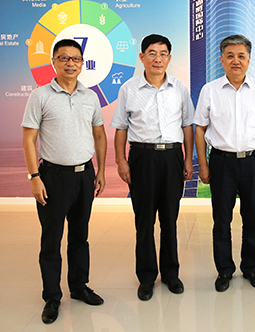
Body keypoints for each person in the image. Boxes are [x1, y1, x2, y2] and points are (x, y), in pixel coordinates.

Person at [22, 39, 106, 324]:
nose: (70, 63)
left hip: (84, 175)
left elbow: (99, 135)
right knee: (51, 239)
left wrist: (100, 171)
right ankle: (52, 297)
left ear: (82, 63)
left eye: (76, 58)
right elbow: (29, 139)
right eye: (64, 58)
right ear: (54, 62)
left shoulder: (90, 96)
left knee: (80, 236)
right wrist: (34, 177)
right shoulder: (40, 96)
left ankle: (79, 286)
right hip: (52, 177)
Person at [111, 34, 194, 301]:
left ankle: (171, 274)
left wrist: (188, 159)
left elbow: (187, 126)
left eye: (163, 54)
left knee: (170, 219)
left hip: (172, 157)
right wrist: (121, 161)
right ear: (142, 57)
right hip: (142, 158)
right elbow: (121, 128)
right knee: (144, 220)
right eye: (152, 53)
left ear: (169, 58)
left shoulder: (179, 88)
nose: (158, 59)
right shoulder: (129, 89)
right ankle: (146, 277)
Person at [194, 34, 255, 292]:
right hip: (222, 162)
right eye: (230, 55)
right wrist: (203, 164)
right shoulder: (210, 90)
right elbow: (200, 129)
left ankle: (251, 268)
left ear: (249, 60)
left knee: (252, 218)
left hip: (253, 162)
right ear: (221, 60)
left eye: (241, 56)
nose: (236, 61)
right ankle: (224, 270)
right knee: (221, 220)